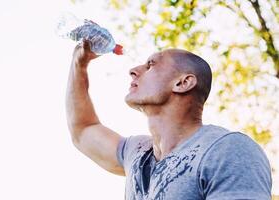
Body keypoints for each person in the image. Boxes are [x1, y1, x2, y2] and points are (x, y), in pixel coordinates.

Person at [66, 40, 272, 200]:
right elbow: (83, 130)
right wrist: (79, 63)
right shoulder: (136, 152)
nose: (134, 71)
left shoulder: (228, 150)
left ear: (183, 83)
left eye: (151, 65)